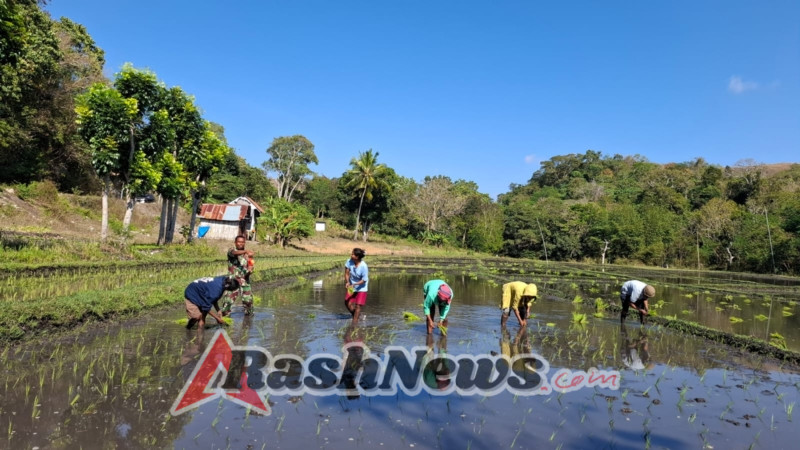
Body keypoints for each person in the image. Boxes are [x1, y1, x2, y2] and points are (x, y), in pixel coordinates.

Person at [223, 235, 254, 316]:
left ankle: (248, 320)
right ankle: (224, 319)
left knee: (248, 302)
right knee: (228, 301)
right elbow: (234, 253)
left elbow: (251, 264)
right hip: (232, 281)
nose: (240, 244)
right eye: (239, 242)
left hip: (244, 281)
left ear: (244, 243)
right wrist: (245, 251)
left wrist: (250, 271)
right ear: (235, 243)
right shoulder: (232, 251)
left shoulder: (248, 255)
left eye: (242, 242)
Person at [344, 248, 368, 324]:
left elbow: (364, 280)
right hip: (351, 286)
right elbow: (347, 273)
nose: (351, 255)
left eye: (353, 254)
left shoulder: (364, 266)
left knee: (358, 306)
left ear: (357, 257)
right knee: (347, 302)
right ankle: (357, 316)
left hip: (362, 287)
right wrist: (347, 282)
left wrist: (355, 284)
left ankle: (354, 323)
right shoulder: (349, 261)